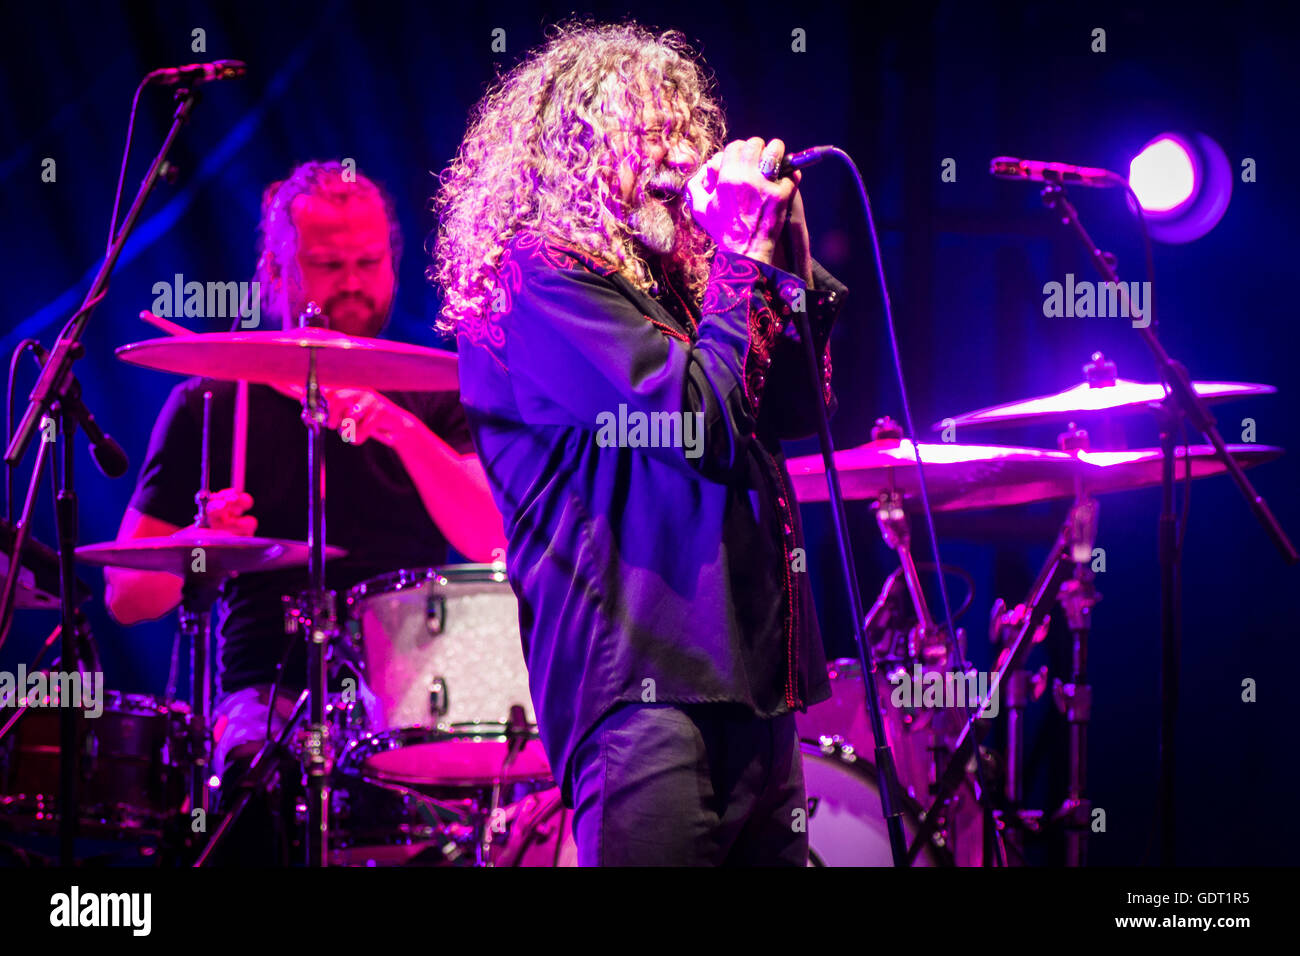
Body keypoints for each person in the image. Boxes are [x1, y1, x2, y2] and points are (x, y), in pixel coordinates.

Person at [431, 21, 848, 865]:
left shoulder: (691, 287)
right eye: (646, 132)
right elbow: (694, 422)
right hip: (642, 695)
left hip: (756, 689)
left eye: (686, 130)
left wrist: (788, 251)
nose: (680, 156)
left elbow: (798, 408)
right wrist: (740, 257)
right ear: (573, 156)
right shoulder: (539, 277)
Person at [106, 161, 505, 860]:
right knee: (252, 796)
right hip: (264, 701)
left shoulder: (436, 390)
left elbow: (490, 538)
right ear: (274, 271)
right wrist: (203, 543)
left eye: (368, 261)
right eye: (325, 265)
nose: (352, 282)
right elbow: (128, 597)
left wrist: (397, 426)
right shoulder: (211, 401)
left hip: (419, 696)